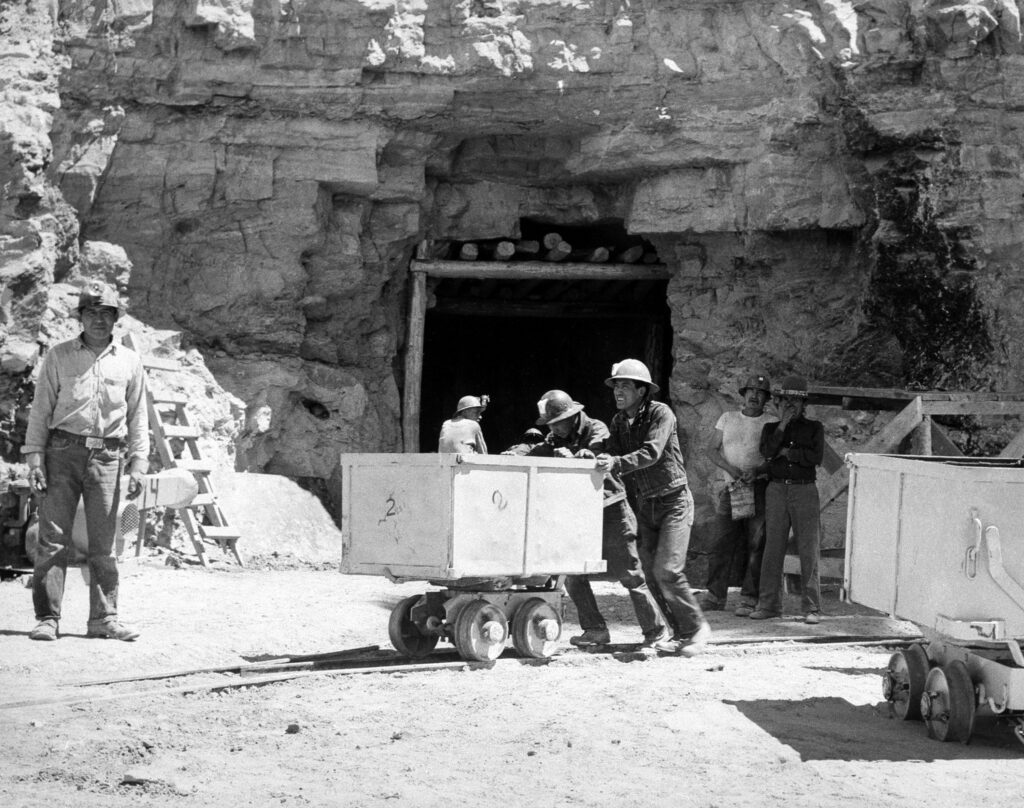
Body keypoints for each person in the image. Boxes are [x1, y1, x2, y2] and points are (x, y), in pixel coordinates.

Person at [22, 280, 149, 642]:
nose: (98, 319)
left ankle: (103, 619)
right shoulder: (59, 356)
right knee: (53, 539)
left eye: (106, 312)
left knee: (104, 544)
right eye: (91, 312)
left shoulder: (129, 361)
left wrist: (139, 464)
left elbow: (138, 416)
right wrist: (35, 460)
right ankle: (48, 619)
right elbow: (40, 410)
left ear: (115, 318)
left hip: (108, 457)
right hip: (62, 452)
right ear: (80, 317)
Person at [529, 390, 668, 649]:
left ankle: (656, 631)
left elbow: (596, 452)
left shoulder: (597, 428)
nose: (553, 428)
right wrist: (515, 454)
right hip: (580, 513)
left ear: (571, 416)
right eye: (549, 424)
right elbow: (536, 449)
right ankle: (595, 630)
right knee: (573, 573)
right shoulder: (556, 437)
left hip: (611, 509)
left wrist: (579, 457)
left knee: (630, 574)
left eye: (556, 422)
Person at [595, 359, 711, 657]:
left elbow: (652, 452)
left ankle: (697, 629)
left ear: (641, 390)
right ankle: (679, 633)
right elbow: (612, 451)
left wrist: (615, 463)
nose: (618, 391)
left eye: (624, 386)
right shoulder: (619, 421)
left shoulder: (661, 413)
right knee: (649, 571)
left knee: (668, 569)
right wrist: (593, 454)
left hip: (674, 501)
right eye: (616, 386)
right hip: (646, 504)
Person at [750, 375, 825, 624]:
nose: (790, 405)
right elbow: (767, 452)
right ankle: (768, 605)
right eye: (786, 400)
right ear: (779, 403)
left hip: (804, 490)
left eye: (796, 401)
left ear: (804, 405)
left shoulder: (815, 427)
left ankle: (811, 608)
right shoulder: (771, 429)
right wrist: (782, 425)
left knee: (808, 549)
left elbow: (815, 458)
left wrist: (787, 453)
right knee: (773, 548)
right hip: (777, 490)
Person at [702, 373, 777, 617]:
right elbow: (711, 450)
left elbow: (776, 457)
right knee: (720, 542)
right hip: (732, 488)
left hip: (759, 488)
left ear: (766, 398)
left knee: (756, 544)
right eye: (751, 391)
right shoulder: (728, 418)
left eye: (761, 393)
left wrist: (758, 471)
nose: (755, 396)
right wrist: (731, 470)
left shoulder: (771, 422)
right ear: (743, 395)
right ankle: (715, 596)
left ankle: (749, 598)